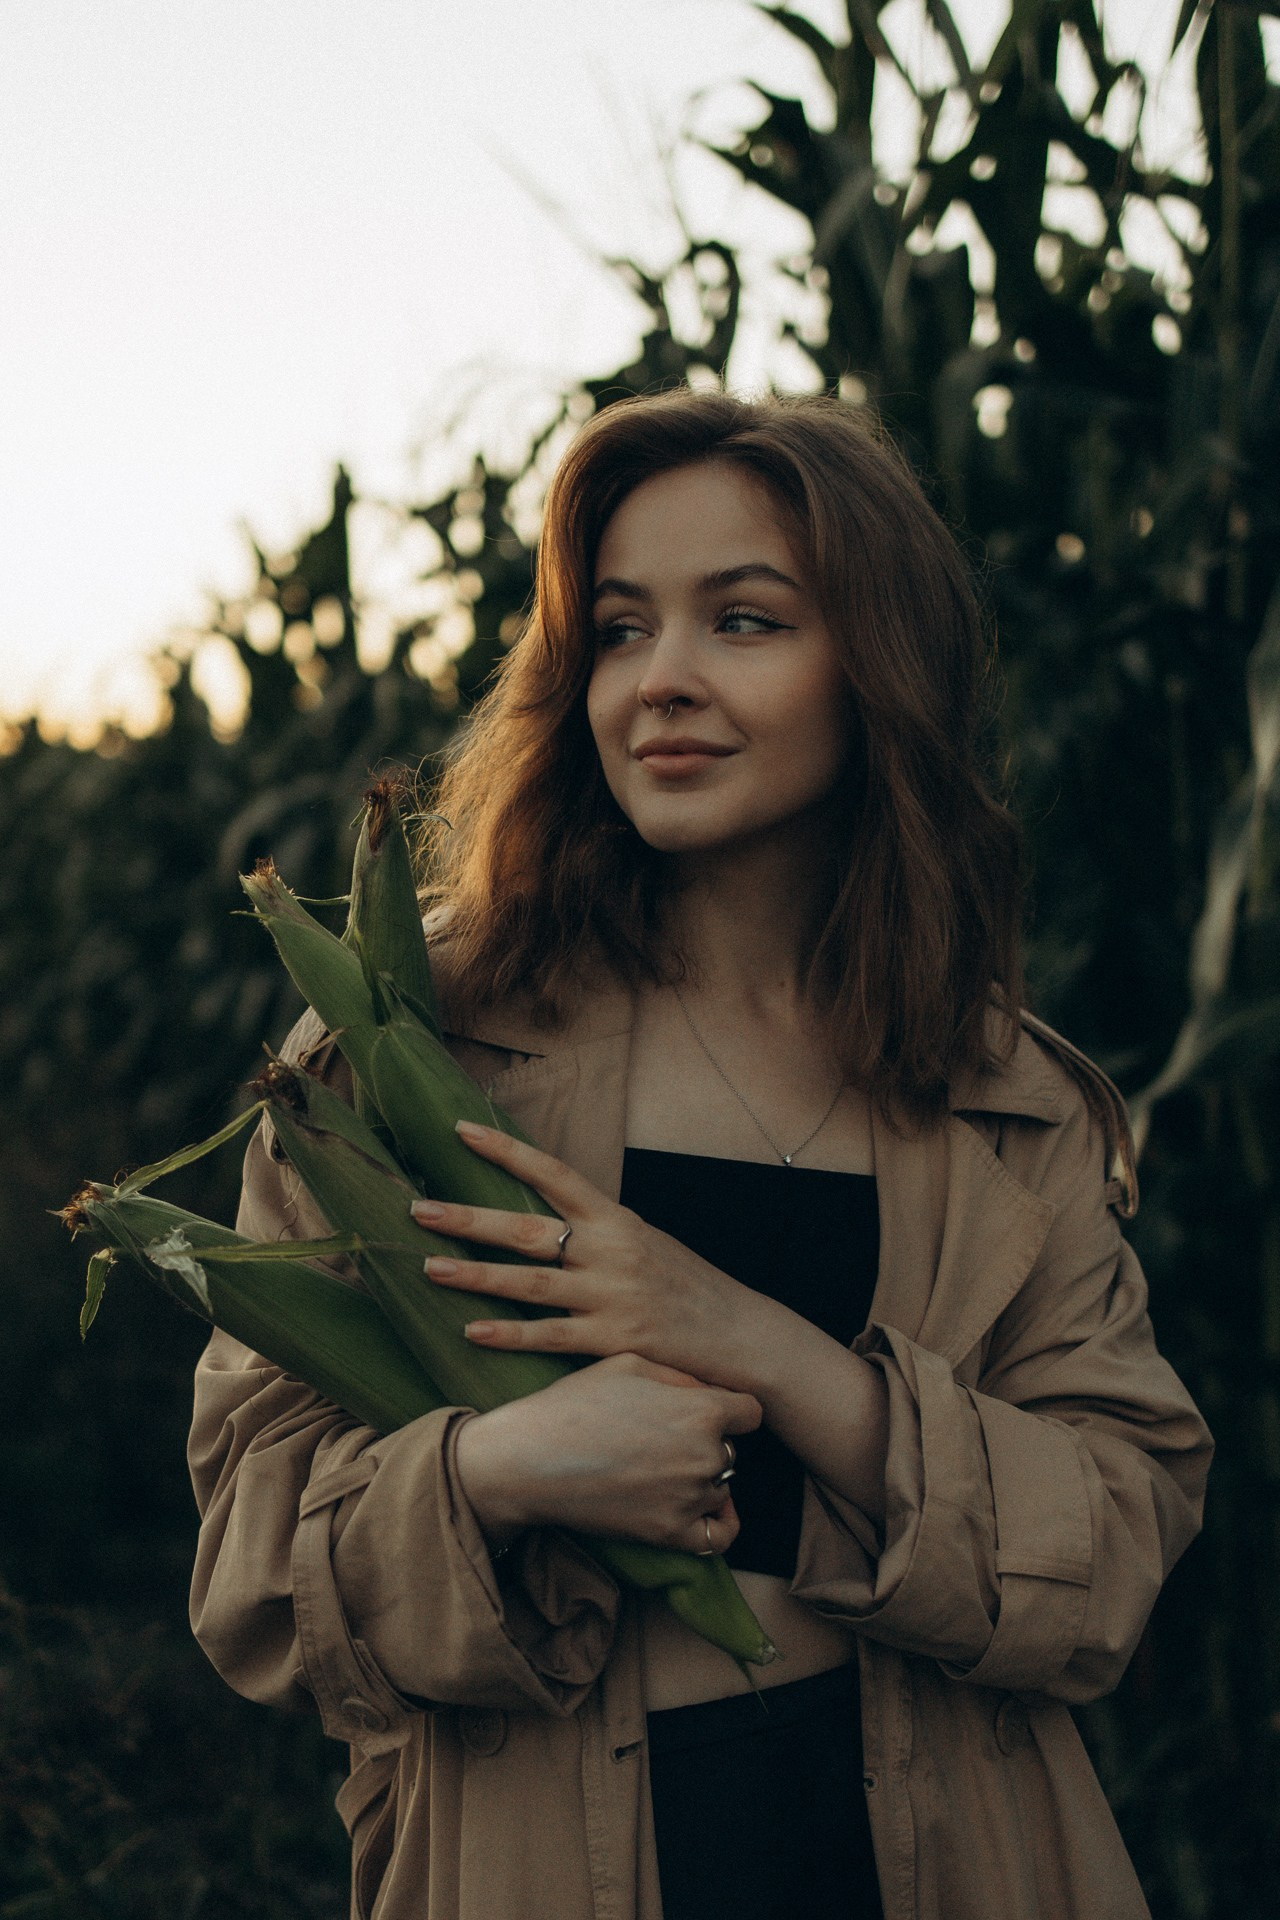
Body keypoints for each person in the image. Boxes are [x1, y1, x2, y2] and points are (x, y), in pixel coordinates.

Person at [188, 390, 1212, 1920]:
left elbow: (1119, 1544)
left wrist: (755, 1346)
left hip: (953, 1860)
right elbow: (253, 1571)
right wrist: (501, 1471)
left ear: (877, 665)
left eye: (744, 620)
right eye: (619, 630)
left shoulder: (1008, 1096)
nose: (661, 679)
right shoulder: (414, 1047)